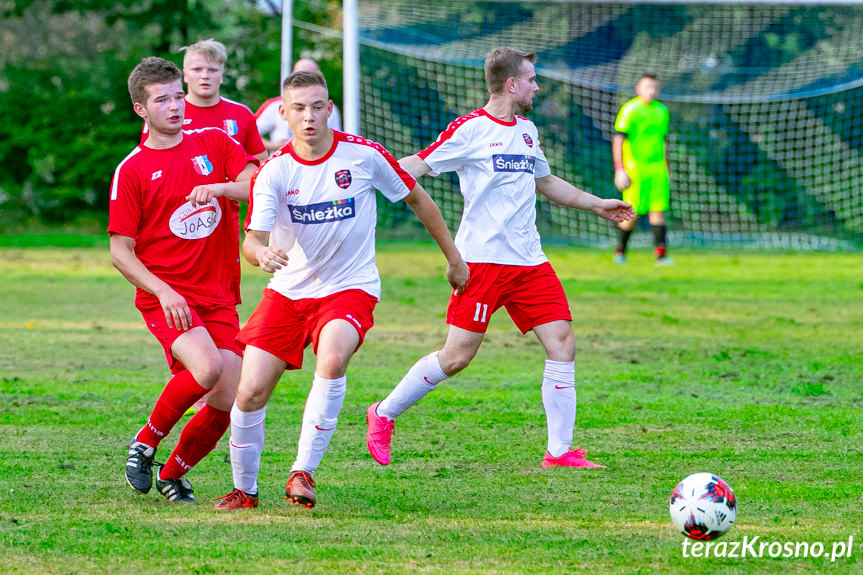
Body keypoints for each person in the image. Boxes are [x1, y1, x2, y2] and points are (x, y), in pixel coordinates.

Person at [365, 47, 634, 471]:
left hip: (530, 261)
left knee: (562, 342)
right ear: (512, 84)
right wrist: (364, 179)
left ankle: (559, 452)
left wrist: (596, 204)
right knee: (456, 357)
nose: (537, 86)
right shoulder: (469, 129)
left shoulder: (527, 130)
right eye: (531, 79)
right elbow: (417, 164)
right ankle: (382, 414)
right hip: (482, 262)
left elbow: (545, 180)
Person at [213, 70, 468, 511]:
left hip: (349, 288)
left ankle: (303, 471)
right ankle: (244, 490)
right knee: (250, 391)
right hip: (288, 292)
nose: (309, 116)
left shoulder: (363, 155)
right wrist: (260, 255)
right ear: (283, 114)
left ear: (329, 108)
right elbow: (251, 240)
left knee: (332, 358)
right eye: (299, 108)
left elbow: (418, 200)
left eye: (317, 106)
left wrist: (455, 258)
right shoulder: (274, 171)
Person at [110, 57, 258, 503]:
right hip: (167, 296)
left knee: (229, 395)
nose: (175, 106)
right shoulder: (132, 169)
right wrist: (161, 290)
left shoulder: (213, 141)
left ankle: (173, 472)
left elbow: (255, 185)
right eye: (162, 100)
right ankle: (145, 442)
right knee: (208, 368)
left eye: (178, 96)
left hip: (218, 293)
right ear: (141, 109)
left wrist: (218, 188)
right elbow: (120, 251)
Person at [611, 74, 673, 265]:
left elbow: (663, 142)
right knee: (632, 213)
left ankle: (661, 256)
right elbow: (618, 139)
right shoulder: (630, 109)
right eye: (647, 87)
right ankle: (620, 252)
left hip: (657, 170)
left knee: (658, 211)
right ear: (638, 88)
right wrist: (620, 169)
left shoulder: (662, 111)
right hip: (635, 169)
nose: (651, 91)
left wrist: (667, 170)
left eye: (654, 87)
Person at [254, 58, 342, 153]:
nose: (309, 116)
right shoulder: (274, 105)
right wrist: (276, 146)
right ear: (283, 112)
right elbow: (250, 134)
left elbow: (335, 141)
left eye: (317, 108)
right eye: (299, 108)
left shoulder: (330, 109)